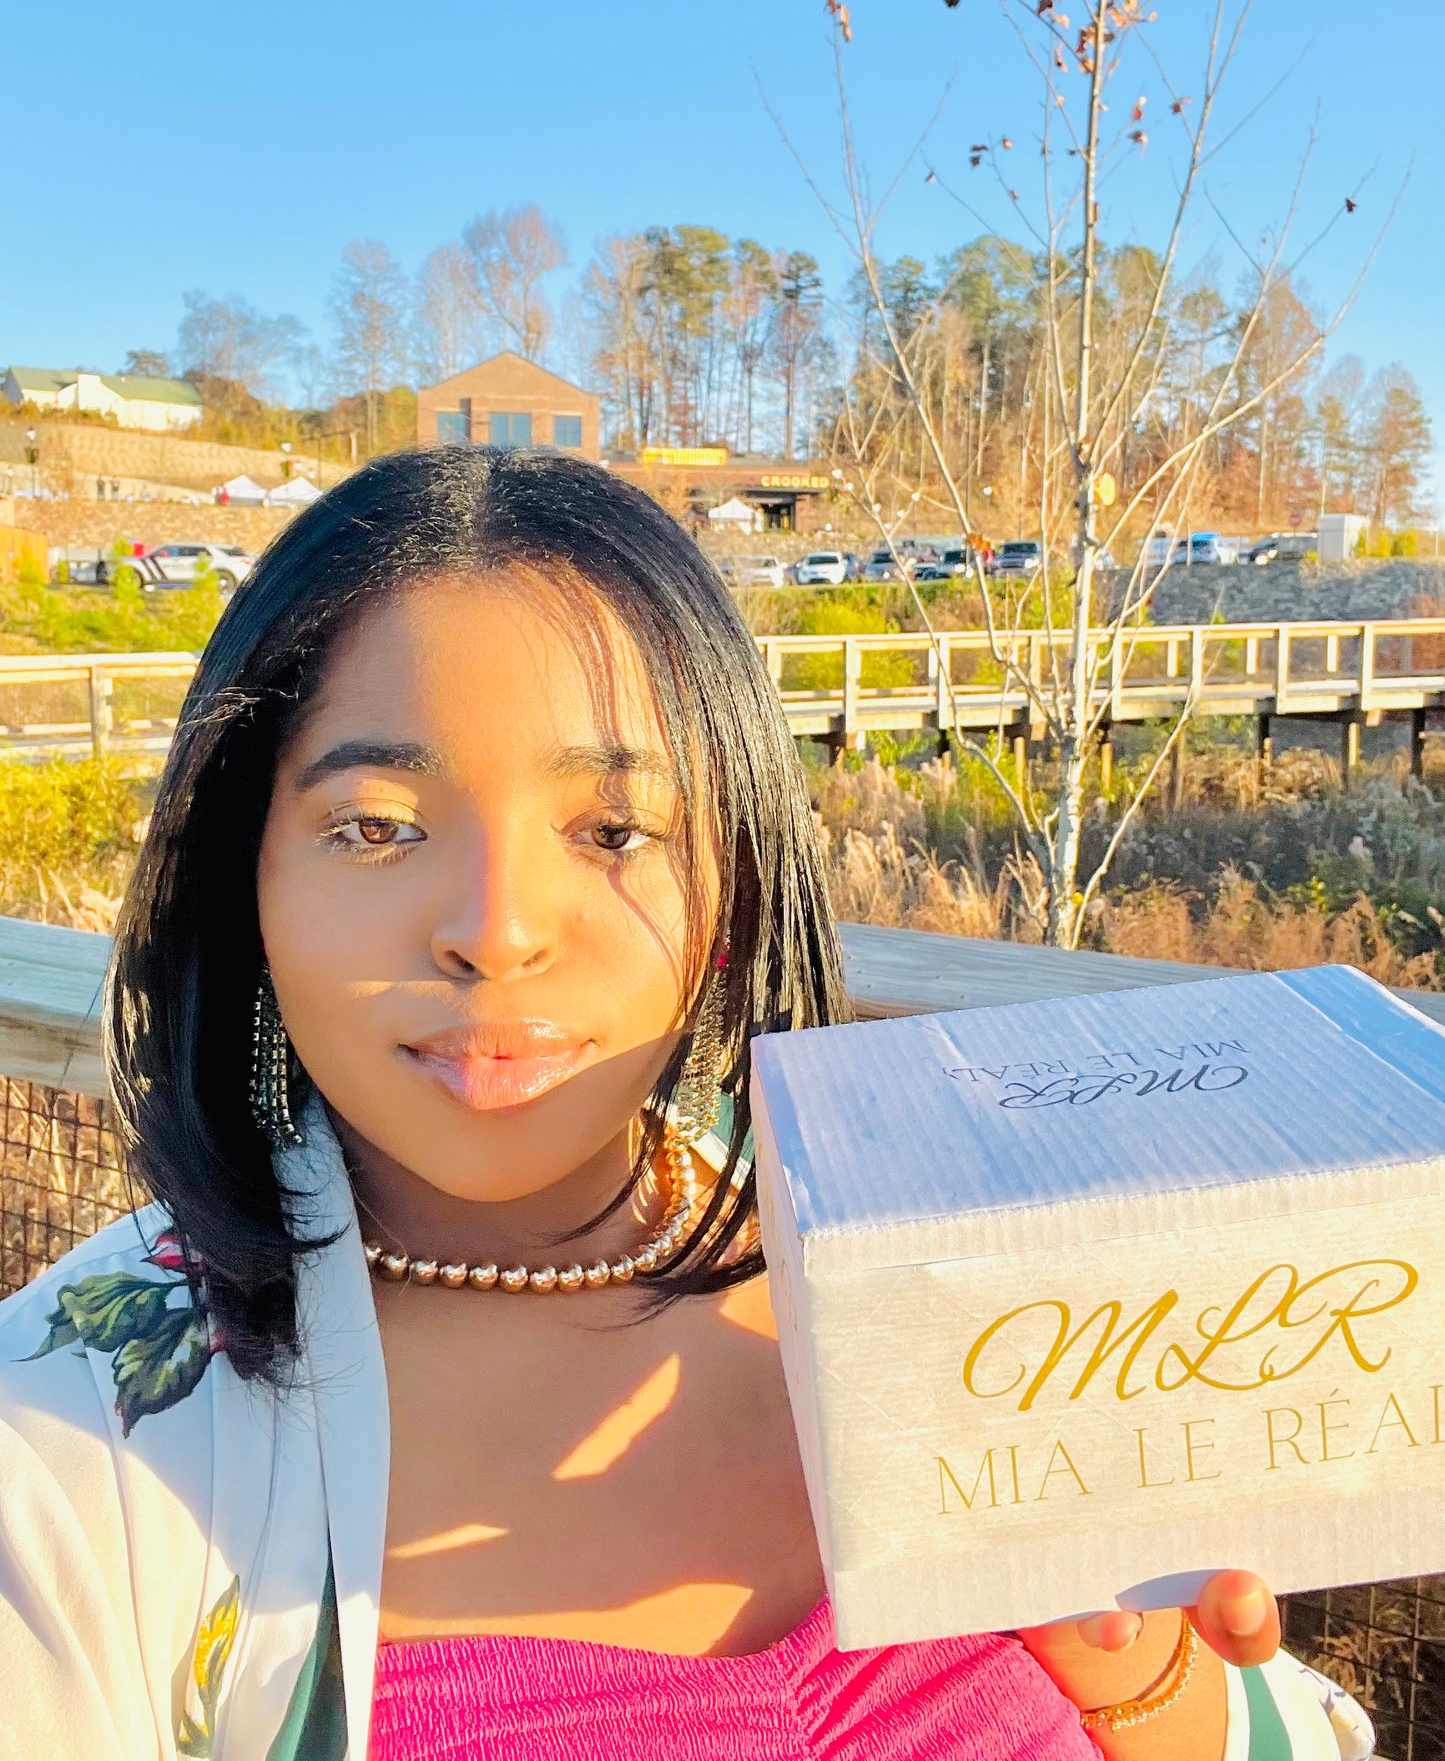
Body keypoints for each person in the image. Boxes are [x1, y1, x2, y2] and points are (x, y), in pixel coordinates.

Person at [0, 446, 1371, 1760]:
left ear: (732, 881)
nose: (495, 931)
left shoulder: (943, 1277)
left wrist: (1128, 1661)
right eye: (377, 827)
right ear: (245, 881)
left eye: (614, 832)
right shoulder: (69, 1449)